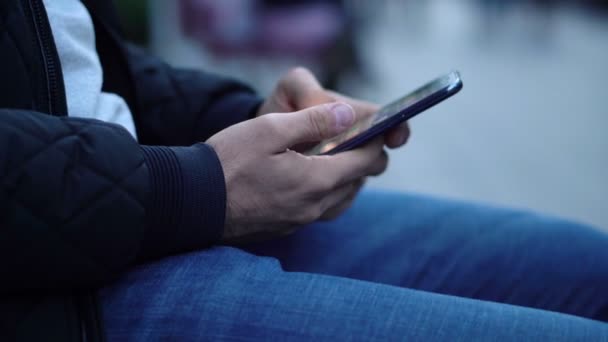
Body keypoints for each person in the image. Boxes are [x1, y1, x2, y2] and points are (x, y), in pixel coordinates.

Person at [1, 0, 607, 341]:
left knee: (588, 266)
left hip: (138, 200)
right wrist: (191, 188)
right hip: (55, 300)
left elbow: (71, 66)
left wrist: (240, 116)